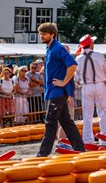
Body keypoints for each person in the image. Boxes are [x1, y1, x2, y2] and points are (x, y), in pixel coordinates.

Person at [36, 22, 84, 156]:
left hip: (57, 92)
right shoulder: (49, 48)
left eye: (44, 34)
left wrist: (64, 82)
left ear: (52, 34)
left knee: (50, 122)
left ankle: (42, 154)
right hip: (53, 91)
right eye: (40, 34)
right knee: (66, 122)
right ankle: (80, 148)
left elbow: (73, 65)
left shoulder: (58, 48)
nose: (41, 36)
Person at [75, 34, 106, 145]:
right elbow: (105, 72)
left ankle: (87, 139)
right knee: (103, 113)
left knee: (87, 114)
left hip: (86, 86)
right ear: (90, 44)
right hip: (99, 85)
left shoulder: (78, 58)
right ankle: (104, 139)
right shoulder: (99, 56)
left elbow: (76, 76)